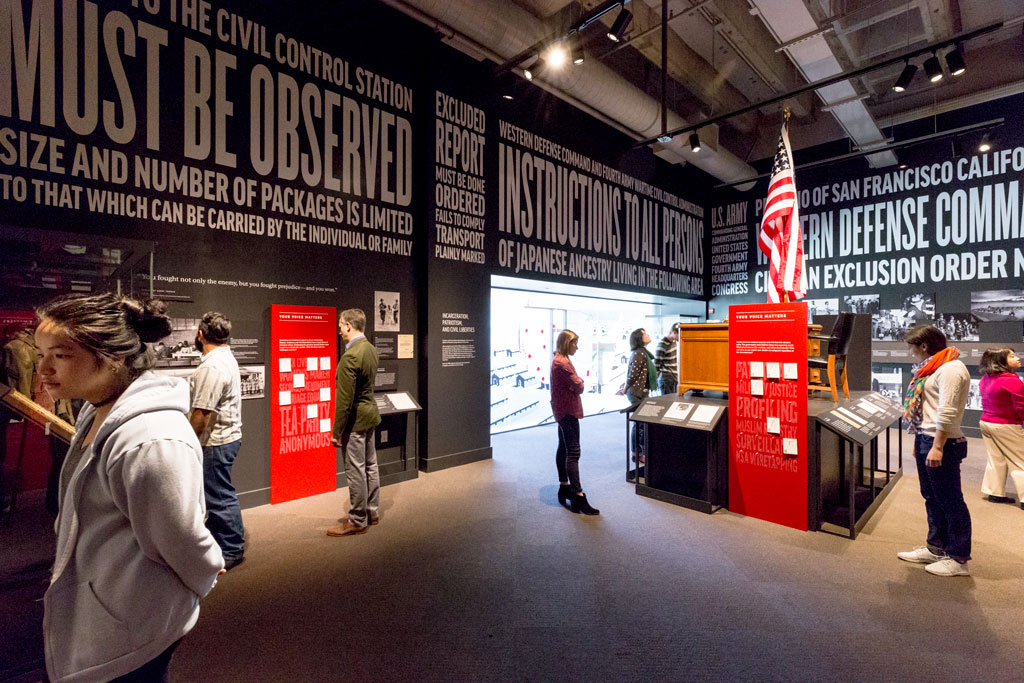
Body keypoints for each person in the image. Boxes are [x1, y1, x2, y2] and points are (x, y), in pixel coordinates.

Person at [34, 293, 223, 682]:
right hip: (107, 612)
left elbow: (180, 537)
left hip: (133, 628)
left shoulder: (150, 440)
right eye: (40, 354)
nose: (43, 369)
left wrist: (208, 569)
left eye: (61, 355)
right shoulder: (97, 407)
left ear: (115, 356)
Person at [897, 325, 972, 577]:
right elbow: (927, 410)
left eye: (913, 348)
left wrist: (937, 446)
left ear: (924, 346)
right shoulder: (934, 367)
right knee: (932, 497)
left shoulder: (951, 368)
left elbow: (947, 411)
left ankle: (958, 557)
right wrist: (919, 442)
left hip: (943, 443)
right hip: (926, 439)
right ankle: (936, 547)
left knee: (951, 500)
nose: (911, 353)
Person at [190, 312, 246, 570]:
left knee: (220, 496)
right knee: (217, 493)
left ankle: (232, 550)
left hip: (216, 442)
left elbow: (202, 414)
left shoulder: (212, 366)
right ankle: (219, 541)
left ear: (201, 334)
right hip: (226, 438)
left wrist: (188, 445)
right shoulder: (225, 358)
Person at [328, 308, 381, 536]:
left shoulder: (350, 356)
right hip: (370, 416)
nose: (339, 330)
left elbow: (344, 401)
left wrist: (336, 431)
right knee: (370, 465)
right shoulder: (370, 349)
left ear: (348, 325)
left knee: (356, 469)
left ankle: (358, 519)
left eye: (340, 326)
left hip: (356, 422)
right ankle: (372, 511)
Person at [550, 330, 599, 515]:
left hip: (562, 410)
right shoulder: (562, 363)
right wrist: (579, 382)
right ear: (566, 343)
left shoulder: (559, 360)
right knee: (573, 451)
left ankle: (564, 487)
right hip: (568, 411)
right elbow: (579, 386)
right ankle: (578, 495)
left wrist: (576, 383)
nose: (576, 347)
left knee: (563, 448)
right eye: (574, 343)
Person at [977, 347, 1024, 508]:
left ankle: (994, 492)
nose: (1017, 358)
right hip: (1006, 425)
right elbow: (1021, 407)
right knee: (1020, 461)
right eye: (1012, 356)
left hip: (986, 423)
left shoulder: (985, 379)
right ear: (1001, 362)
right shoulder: (1012, 381)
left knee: (996, 459)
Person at [621, 328, 656, 464]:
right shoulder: (639, 354)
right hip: (637, 393)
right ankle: (637, 454)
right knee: (639, 425)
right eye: (645, 334)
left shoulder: (643, 353)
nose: (648, 335)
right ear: (639, 339)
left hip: (641, 392)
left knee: (640, 425)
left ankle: (638, 453)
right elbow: (633, 375)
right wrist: (625, 387)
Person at [655, 323, 680, 396]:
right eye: (679, 334)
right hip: (666, 378)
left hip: (674, 377)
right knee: (668, 402)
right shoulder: (663, 344)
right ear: (674, 332)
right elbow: (657, 365)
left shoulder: (674, 342)